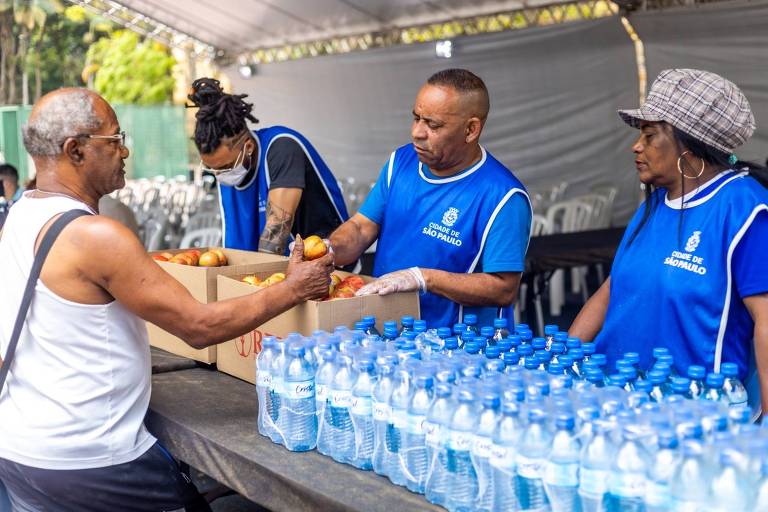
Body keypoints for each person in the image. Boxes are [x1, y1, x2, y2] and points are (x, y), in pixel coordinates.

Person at [0, 88, 334, 511]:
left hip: (21, 451)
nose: (125, 151)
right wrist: (296, 287)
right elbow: (200, 326)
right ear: (75, 151)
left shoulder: (20, 214)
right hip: (92, 462)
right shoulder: (96, 236)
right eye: (114, 139)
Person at [569, 69, 768, 414]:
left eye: (649, 135)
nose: (636, 146)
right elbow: (614, 288)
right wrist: (562, 358)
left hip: (693, 416)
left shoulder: (744, 209)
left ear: (689, 144)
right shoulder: (655, 204)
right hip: (616, 399)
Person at [330, 68, 532, 329]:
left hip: (458, 353)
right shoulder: (400, 162)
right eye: (416, 118)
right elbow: (361, 227)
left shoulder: (503, 196)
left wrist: (424, 278)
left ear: (471, 130)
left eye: (432, 124)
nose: (417, 132)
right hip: (389, 336)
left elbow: (503, 288)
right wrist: (329, 249)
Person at [187, 77, 349, 255]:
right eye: (212, 169)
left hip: (330, 269)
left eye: (225, 167)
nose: (219, 175)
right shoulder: (228, 170)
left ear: (248, 147)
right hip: (275, 273)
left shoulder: (282, 147)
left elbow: (275, 236)